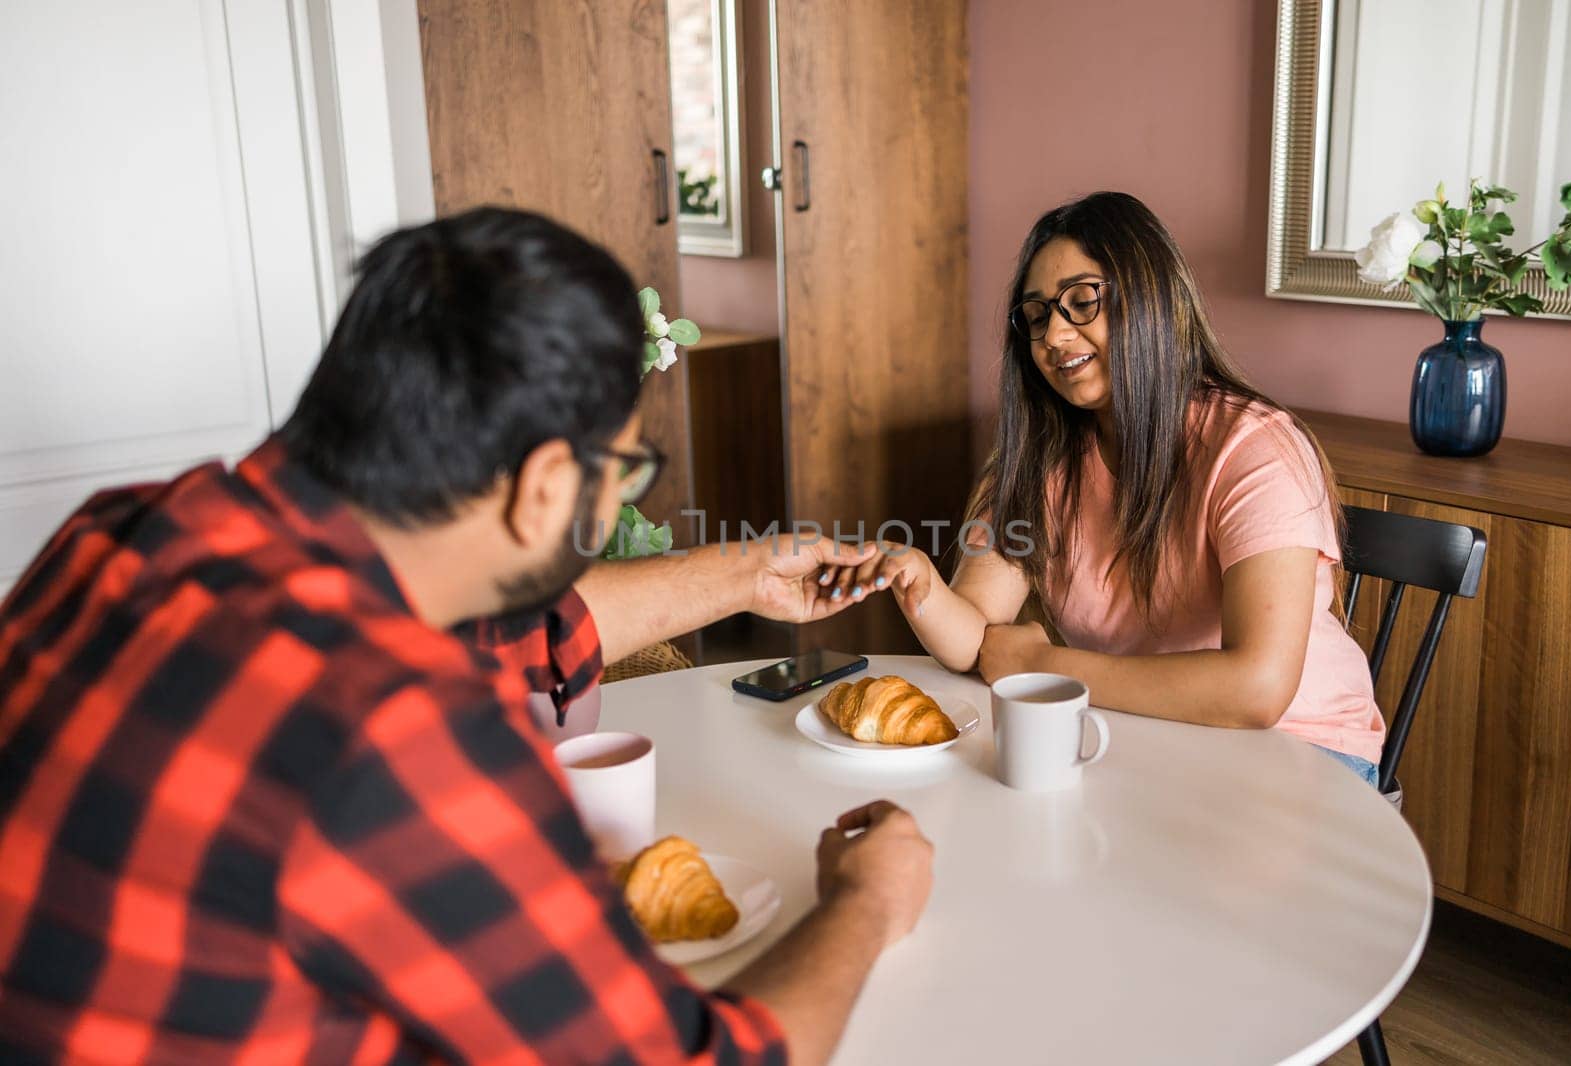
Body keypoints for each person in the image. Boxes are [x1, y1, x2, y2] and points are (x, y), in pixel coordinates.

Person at [0, 207, 931, 1064]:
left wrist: (740, 575)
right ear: (543, 485)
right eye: (627, 469)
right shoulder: (394, 725)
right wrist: (867, 901)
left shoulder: (124, 533)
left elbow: (510, 625)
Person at [828, 192, 1385, 784]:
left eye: (1081, 301)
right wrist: (917, 581)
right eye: (1037, 315)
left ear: (1151, 298)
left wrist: (1047, 664)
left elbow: (1258, 690)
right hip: (1147, 736)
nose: (1053, 336)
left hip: (1304, 753)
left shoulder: (1253, 449)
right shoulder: (1039, 457)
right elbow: (978, 641)